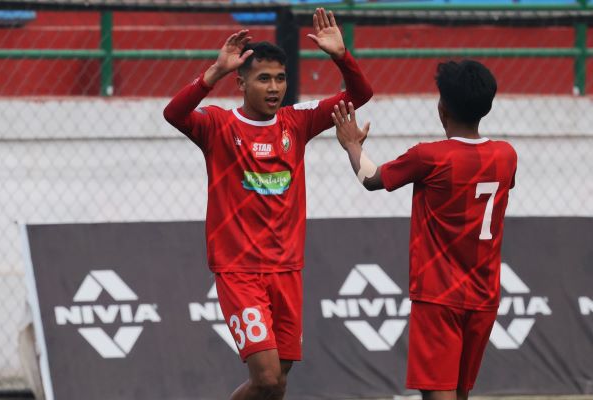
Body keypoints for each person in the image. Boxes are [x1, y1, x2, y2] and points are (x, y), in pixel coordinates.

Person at [163, 8, 372, 400]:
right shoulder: (218, 126)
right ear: (240, 83)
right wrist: (213, 72)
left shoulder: (298, 121)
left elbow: (360, 95)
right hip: (240, 272)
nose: (273, 87)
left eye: (279, 78)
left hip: (287, 270)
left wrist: (341, 56)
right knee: (268, 378)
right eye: (263, 79)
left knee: (277, 383)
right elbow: (174, 113)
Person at [331, 60, 517, 400]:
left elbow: (372, 179)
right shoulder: (506, 155)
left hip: (439, 295)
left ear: (441, 107)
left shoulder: (430, 157)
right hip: (485, 295)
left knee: (438, 394)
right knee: (460, 392)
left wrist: (352, 145)